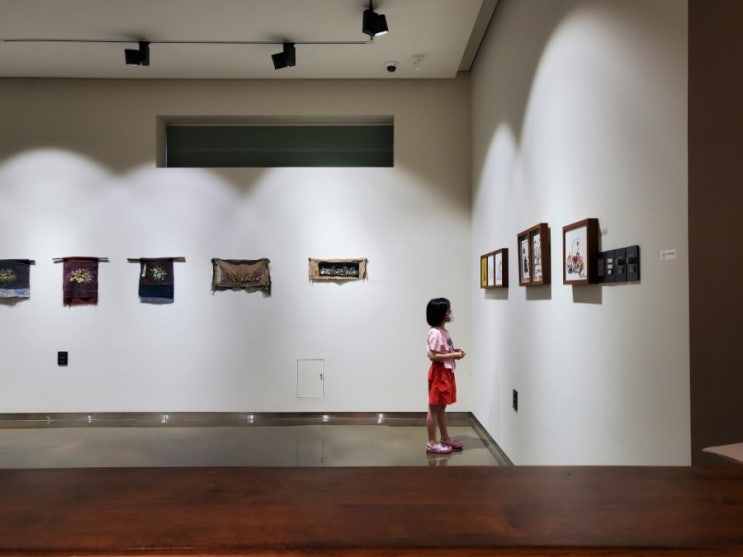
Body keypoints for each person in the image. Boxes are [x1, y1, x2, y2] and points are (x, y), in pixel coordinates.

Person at [425, 297, 466, 454]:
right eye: (448, 310)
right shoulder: (435, 333)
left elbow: (442, 351)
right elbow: (433, 355)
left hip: (446, 372)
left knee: (441, 407)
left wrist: (454, 352)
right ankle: (431, 442)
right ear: (441, 314)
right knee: (434, 408)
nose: (451, 313)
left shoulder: (442, 331)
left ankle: (444, 437)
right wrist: (454, 355)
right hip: (439, 373)